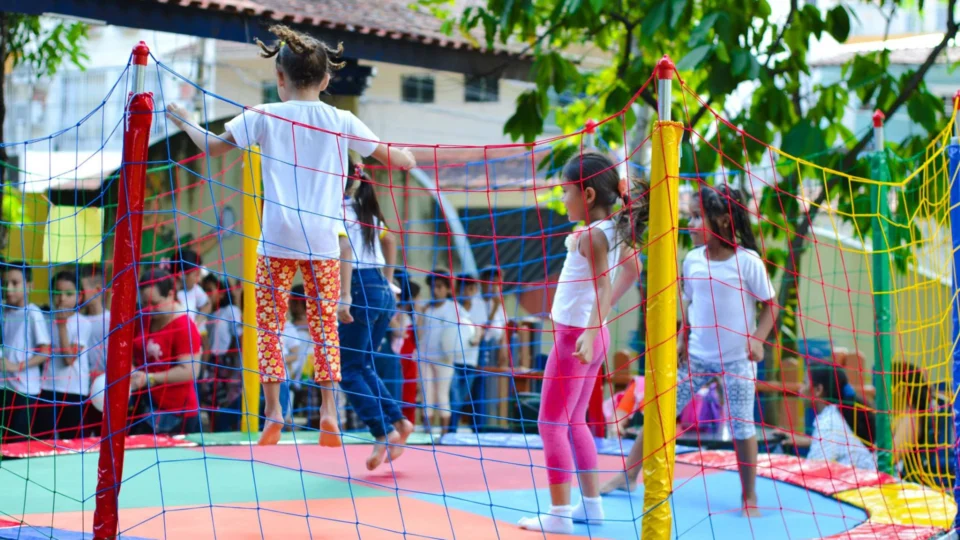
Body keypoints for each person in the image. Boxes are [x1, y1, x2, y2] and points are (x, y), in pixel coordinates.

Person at [166, 24, 416, 446]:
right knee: (325, 330)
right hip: (322, 239)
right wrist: (408, 156)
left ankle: (274, 412)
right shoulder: (341, 119)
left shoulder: (263, 115)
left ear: (279, 78)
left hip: (277, 237)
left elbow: (210, 147)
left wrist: (185, 120)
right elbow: (398, 161)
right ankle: (328, 411)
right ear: (326, 79)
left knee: (269, 327)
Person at [600, 185, 778, 519]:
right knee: (661, 411)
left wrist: (758, 337)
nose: (691, 224)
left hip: (738, 359)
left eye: (698, 217)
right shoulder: (693, 260)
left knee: (742, 425)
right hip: (697, 357)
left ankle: (749, 496)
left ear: (724, 222)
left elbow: (772, 305)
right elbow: (691, 301)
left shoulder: (747, 262)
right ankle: (629, 475)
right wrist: (683, 336)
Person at [519, 152, 648, 534]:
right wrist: (601, 319)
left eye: (566, 191)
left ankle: (559, 514)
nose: (563, 199)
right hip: (590, 333)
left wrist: (591, 331)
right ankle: (591, 507)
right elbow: (632, 270)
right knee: (575, 421)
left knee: (550, 423)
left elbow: (605, 284)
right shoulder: (611, 228)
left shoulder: (593, 235)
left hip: (577, 338)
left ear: (588, 195)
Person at [338, 163, 414, 470]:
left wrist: (343, 295)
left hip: (358, 287)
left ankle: (382, 430)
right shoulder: (363, 209)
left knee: (347, 369)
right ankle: (397, 421)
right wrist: (387, 279)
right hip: (380, 288)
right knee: (363, 363)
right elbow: (391, 239)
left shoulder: (337, 208)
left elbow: (344, 249)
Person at [129, 267, 203, 435]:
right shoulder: (144, 318)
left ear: (170, 294)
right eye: (145, 304)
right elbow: (134, 353)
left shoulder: (184, 326)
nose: (149, 309)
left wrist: (150, 378)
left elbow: (190, 371)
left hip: (176, 414)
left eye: (155, 304)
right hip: (144, 406)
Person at [778, 363, 876, 470]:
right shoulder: (836, 414)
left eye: (804, 383)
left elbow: (812, 470)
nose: (800, 389)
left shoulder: (829, 424)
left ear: (818, 390)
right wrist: (803, 441)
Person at [414, 271, 473, 434]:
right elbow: (419, 334)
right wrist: (420, 315)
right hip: (425, 357)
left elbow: (470, 328)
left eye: (439, 287)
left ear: (448, 289)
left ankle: (445, 435)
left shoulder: (455, 308)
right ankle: (427, 434)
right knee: (427, 396)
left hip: (445, 359)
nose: (435, 290)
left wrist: (472, 341)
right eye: (433, 287)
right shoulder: (426, 309)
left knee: (442, 396)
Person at [0, 263, 52, 442]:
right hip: (4, 386)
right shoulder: (4, 312)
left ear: (29, 285)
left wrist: (16, 365)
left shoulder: (33, 313)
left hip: (25, 390)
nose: (9, 288)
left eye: (15, 283)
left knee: (16, 442)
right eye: (5, 283)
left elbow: (45, 352)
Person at [38, 271, 93, 440]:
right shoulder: (44, 320)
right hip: (47, 388)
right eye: (57, 293)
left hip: (74, 390)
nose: (62, 299)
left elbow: (69, 359)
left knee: (71, 441)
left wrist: (61, 325)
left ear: (79, 296)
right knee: (42, 438)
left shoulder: (83, 323)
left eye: (68, 294)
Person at [891, 361, 955, 488]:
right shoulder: (911, 413)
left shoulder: (910, 419)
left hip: (920, 488)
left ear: (901, 390)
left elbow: (890, 458)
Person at [204, 277, 244, 432]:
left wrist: (233, 363)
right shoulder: (210, 314)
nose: (207, 295)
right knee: (212, 402)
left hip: (228, 362)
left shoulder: (231, 310)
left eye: (210, 290)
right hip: (213, 362)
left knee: (228, 402)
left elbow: (238, 336)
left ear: (221, 293)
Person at [449, 274, 486, 433]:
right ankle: (451, 430)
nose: (467, 292)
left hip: (471, 359)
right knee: (454, 396)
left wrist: (477, 336)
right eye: (464, 288)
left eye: (471, 288)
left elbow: (481, 328)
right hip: (453, 359)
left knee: (464, 396)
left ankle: (457, 428)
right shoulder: (452, 307)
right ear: (458, 289)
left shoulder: (479, 307)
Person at [79, 264, 111, 436]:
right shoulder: (78, 320)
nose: (80, 295)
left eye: (83, 290)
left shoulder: (110, 320)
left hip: (103, 389)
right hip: (81, 388)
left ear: (98, 289)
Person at [398, 280, 421, 423]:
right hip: (402, 360)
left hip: (411, 360)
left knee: (410, 396)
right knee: (403, 394)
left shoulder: (414, 317)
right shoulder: (400, 316)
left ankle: (408, 425)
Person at [173, 249, 211, 328]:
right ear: (181, 274)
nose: (199, 280)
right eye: (196, 275)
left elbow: (207, 304)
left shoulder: (195, 289)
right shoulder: (167, 292)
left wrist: (196, 323)